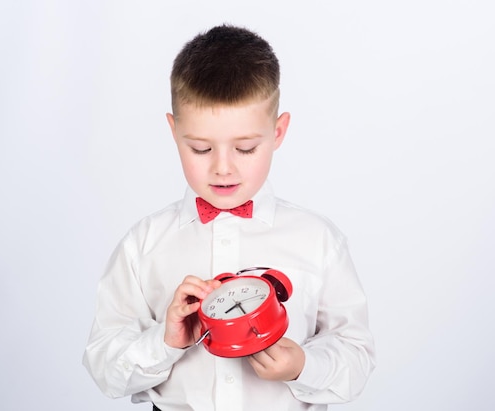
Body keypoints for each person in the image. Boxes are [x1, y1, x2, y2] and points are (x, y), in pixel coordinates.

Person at [83, 24, 375, 411]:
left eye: (246, 148)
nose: (223, 168)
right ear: (174, 131)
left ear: (278, 131)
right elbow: (104, 367)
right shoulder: (144, 245)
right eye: (201, 149)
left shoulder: (318, 240)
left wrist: (303, 366)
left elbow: (357, 356)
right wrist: (165, 342)